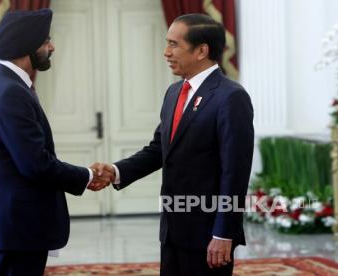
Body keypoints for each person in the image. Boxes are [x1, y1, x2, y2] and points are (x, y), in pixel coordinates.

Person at [91, 13, 254, 275]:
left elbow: (235, 172)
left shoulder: (231, 97)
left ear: (201, 50)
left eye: (174, 44)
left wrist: (224, 233)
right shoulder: (175, 92)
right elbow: (159, 150)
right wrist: (115, 171)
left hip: (208, 231)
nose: (166, 52)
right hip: (172, 229)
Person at [0, 9, 112, 276]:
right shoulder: (10, 92)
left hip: (6, 223)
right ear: (26, 46)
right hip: (15, 225)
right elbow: (35, 164)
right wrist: (87, 175)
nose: (51, 46)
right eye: (46, 41)